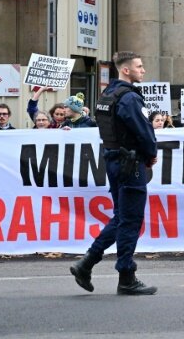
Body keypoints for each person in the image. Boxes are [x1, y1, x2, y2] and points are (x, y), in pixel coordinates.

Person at [70, 51, 158, 296]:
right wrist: (151, 154)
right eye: (139, 67)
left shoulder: (106, 95)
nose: (143, 70)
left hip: (113, 159)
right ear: (126, 70)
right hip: (130, 162)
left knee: (121, 217)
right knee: (130, 220)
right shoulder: (129, 98)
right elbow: (144, 131)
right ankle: (126, 276)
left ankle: (87, 263)